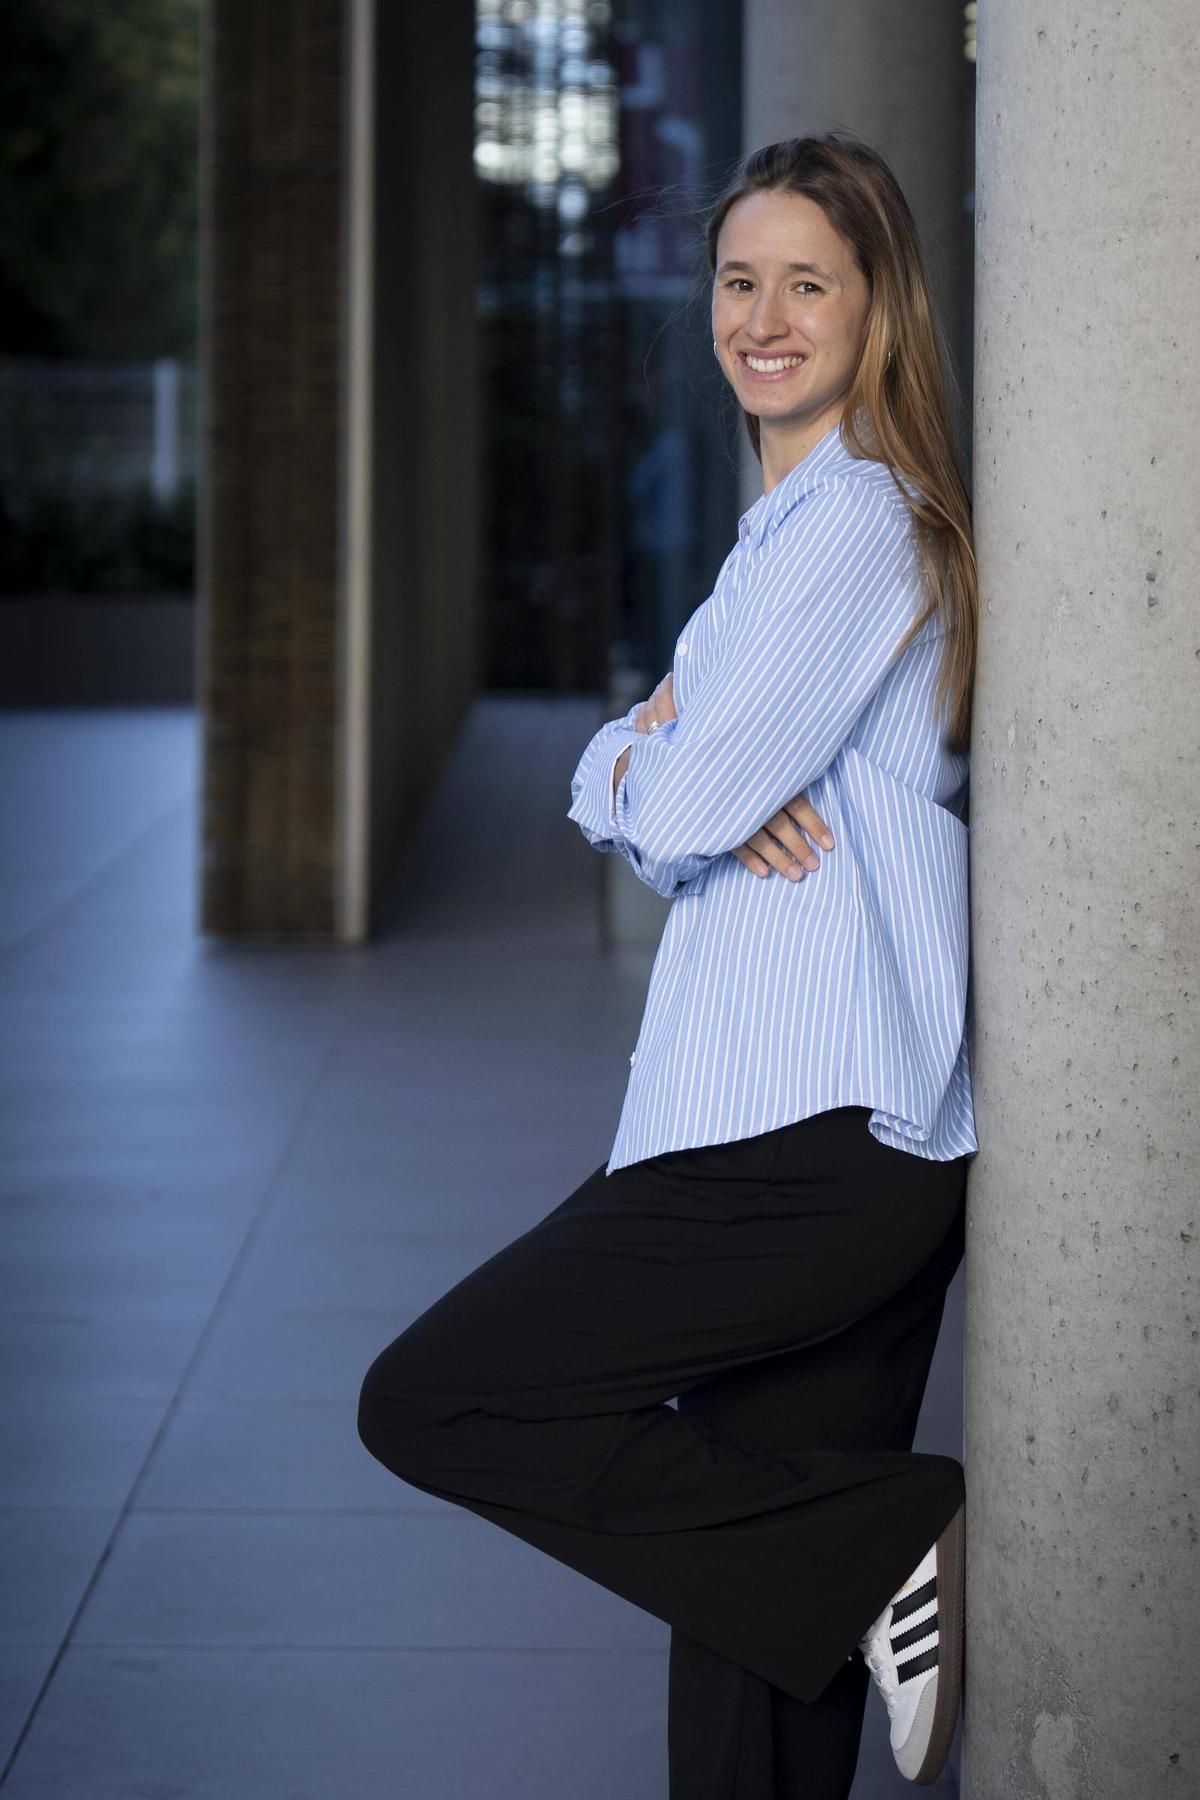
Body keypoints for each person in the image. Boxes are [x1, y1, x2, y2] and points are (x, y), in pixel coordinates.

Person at [357, 130, 979, 1799]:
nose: (763, 317)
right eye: (739, 279)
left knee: (439, 1400)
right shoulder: (775, 543)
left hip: (808, 1137)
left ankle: (890, 1531)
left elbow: (680, 791)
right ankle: (857, 1555)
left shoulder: (854, 522)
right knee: (754, 1661)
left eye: (808, 284)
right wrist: (652, 765)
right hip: (821, 1130)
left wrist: (660, 764)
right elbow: (656, 783)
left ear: (875, 310)